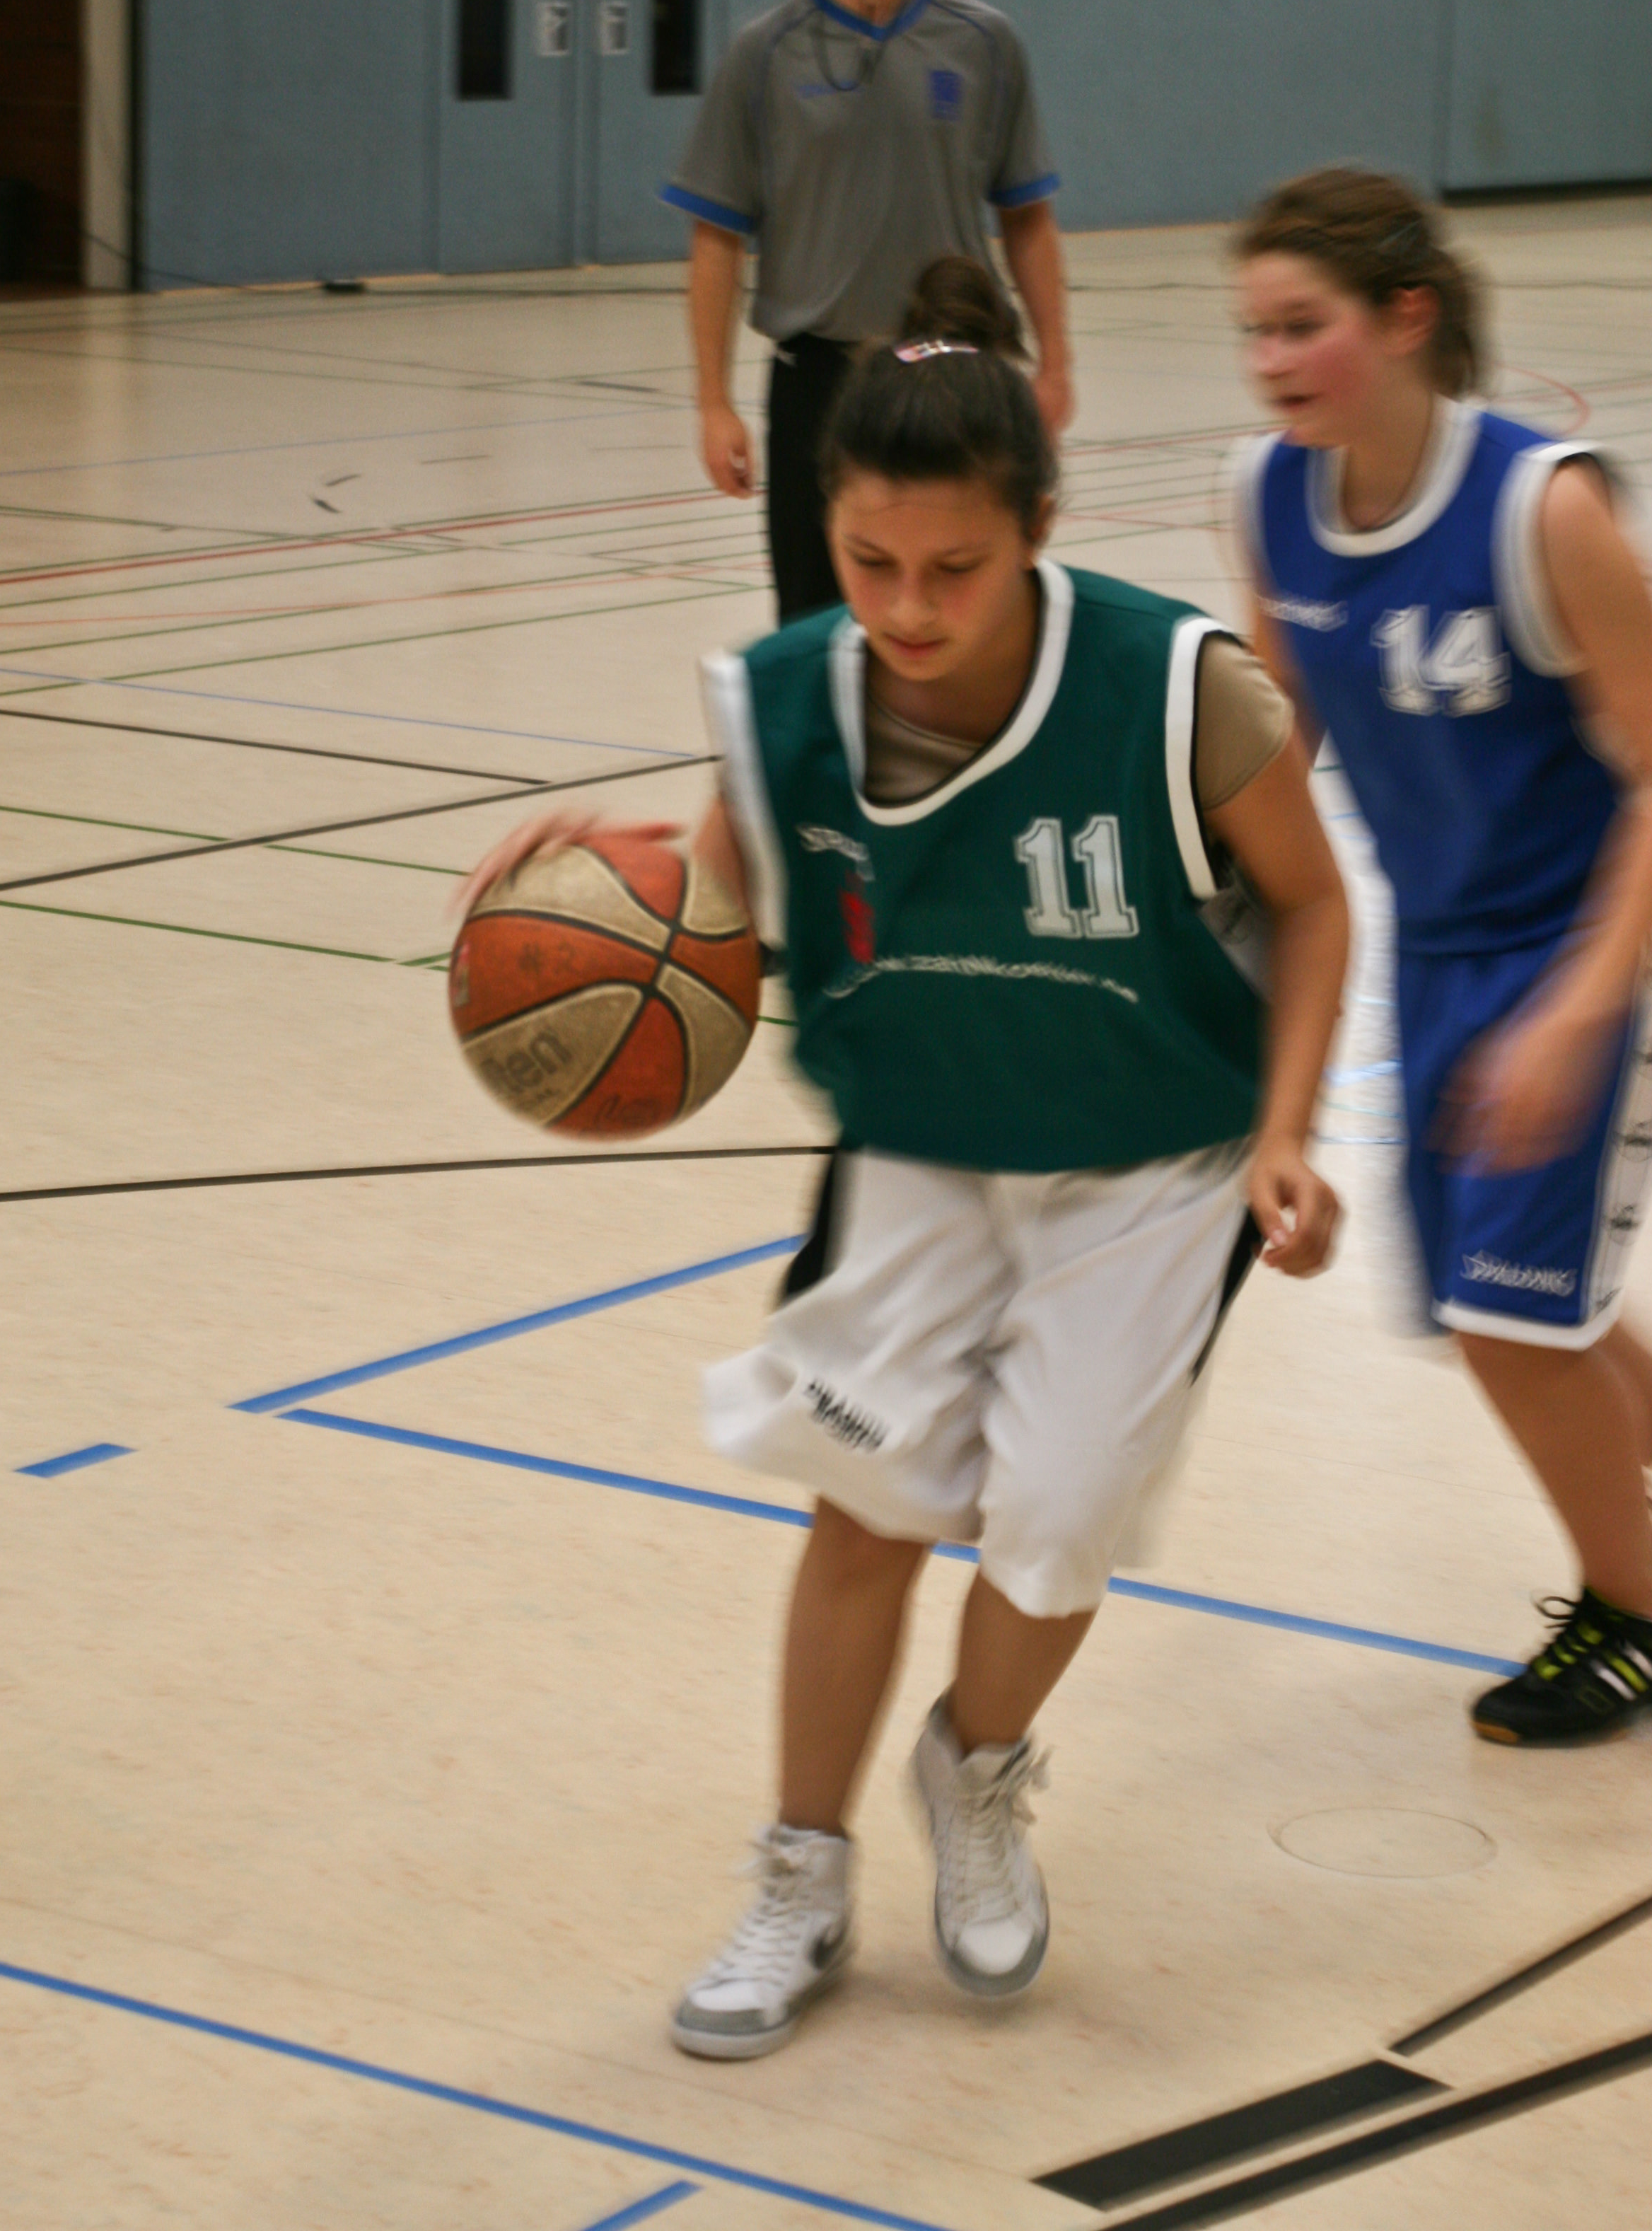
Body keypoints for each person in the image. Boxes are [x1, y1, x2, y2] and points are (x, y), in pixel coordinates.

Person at [463, 257, 1348, 2053]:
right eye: (869, 563)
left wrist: (1286, 1131)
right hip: (921, 1144)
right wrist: (596, 893)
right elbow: (720, 901)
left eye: (955, 567)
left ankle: (976, 1767)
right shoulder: (781, 700)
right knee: (863, 1505)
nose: (908, 606)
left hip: (1154, 1159)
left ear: (1039, 530)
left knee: (1057, 1524)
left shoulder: (1180, 688)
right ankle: (801, 1869)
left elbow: (1318, 904)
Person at [1233, 164, 1652, 1747]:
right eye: (1254, 333)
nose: (1271, 361)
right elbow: (1277, 740)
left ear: (1404, 318)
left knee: (1516, 1310)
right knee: (1496, 1299)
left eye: (1300, 326)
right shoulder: (1267, 499)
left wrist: (1583, 1005)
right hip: (1442, 941)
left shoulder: (1542, 506)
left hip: (1605, 934)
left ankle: (1637, 1623)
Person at [662, 0, 1074, 620]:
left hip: (954, 372)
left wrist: (1056, 365)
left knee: (958, 612)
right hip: (819, 381)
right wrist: (712, 402)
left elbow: (1027, 216)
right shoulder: (764, 53)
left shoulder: (984, 43)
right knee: (816, 618)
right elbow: (717, 237)